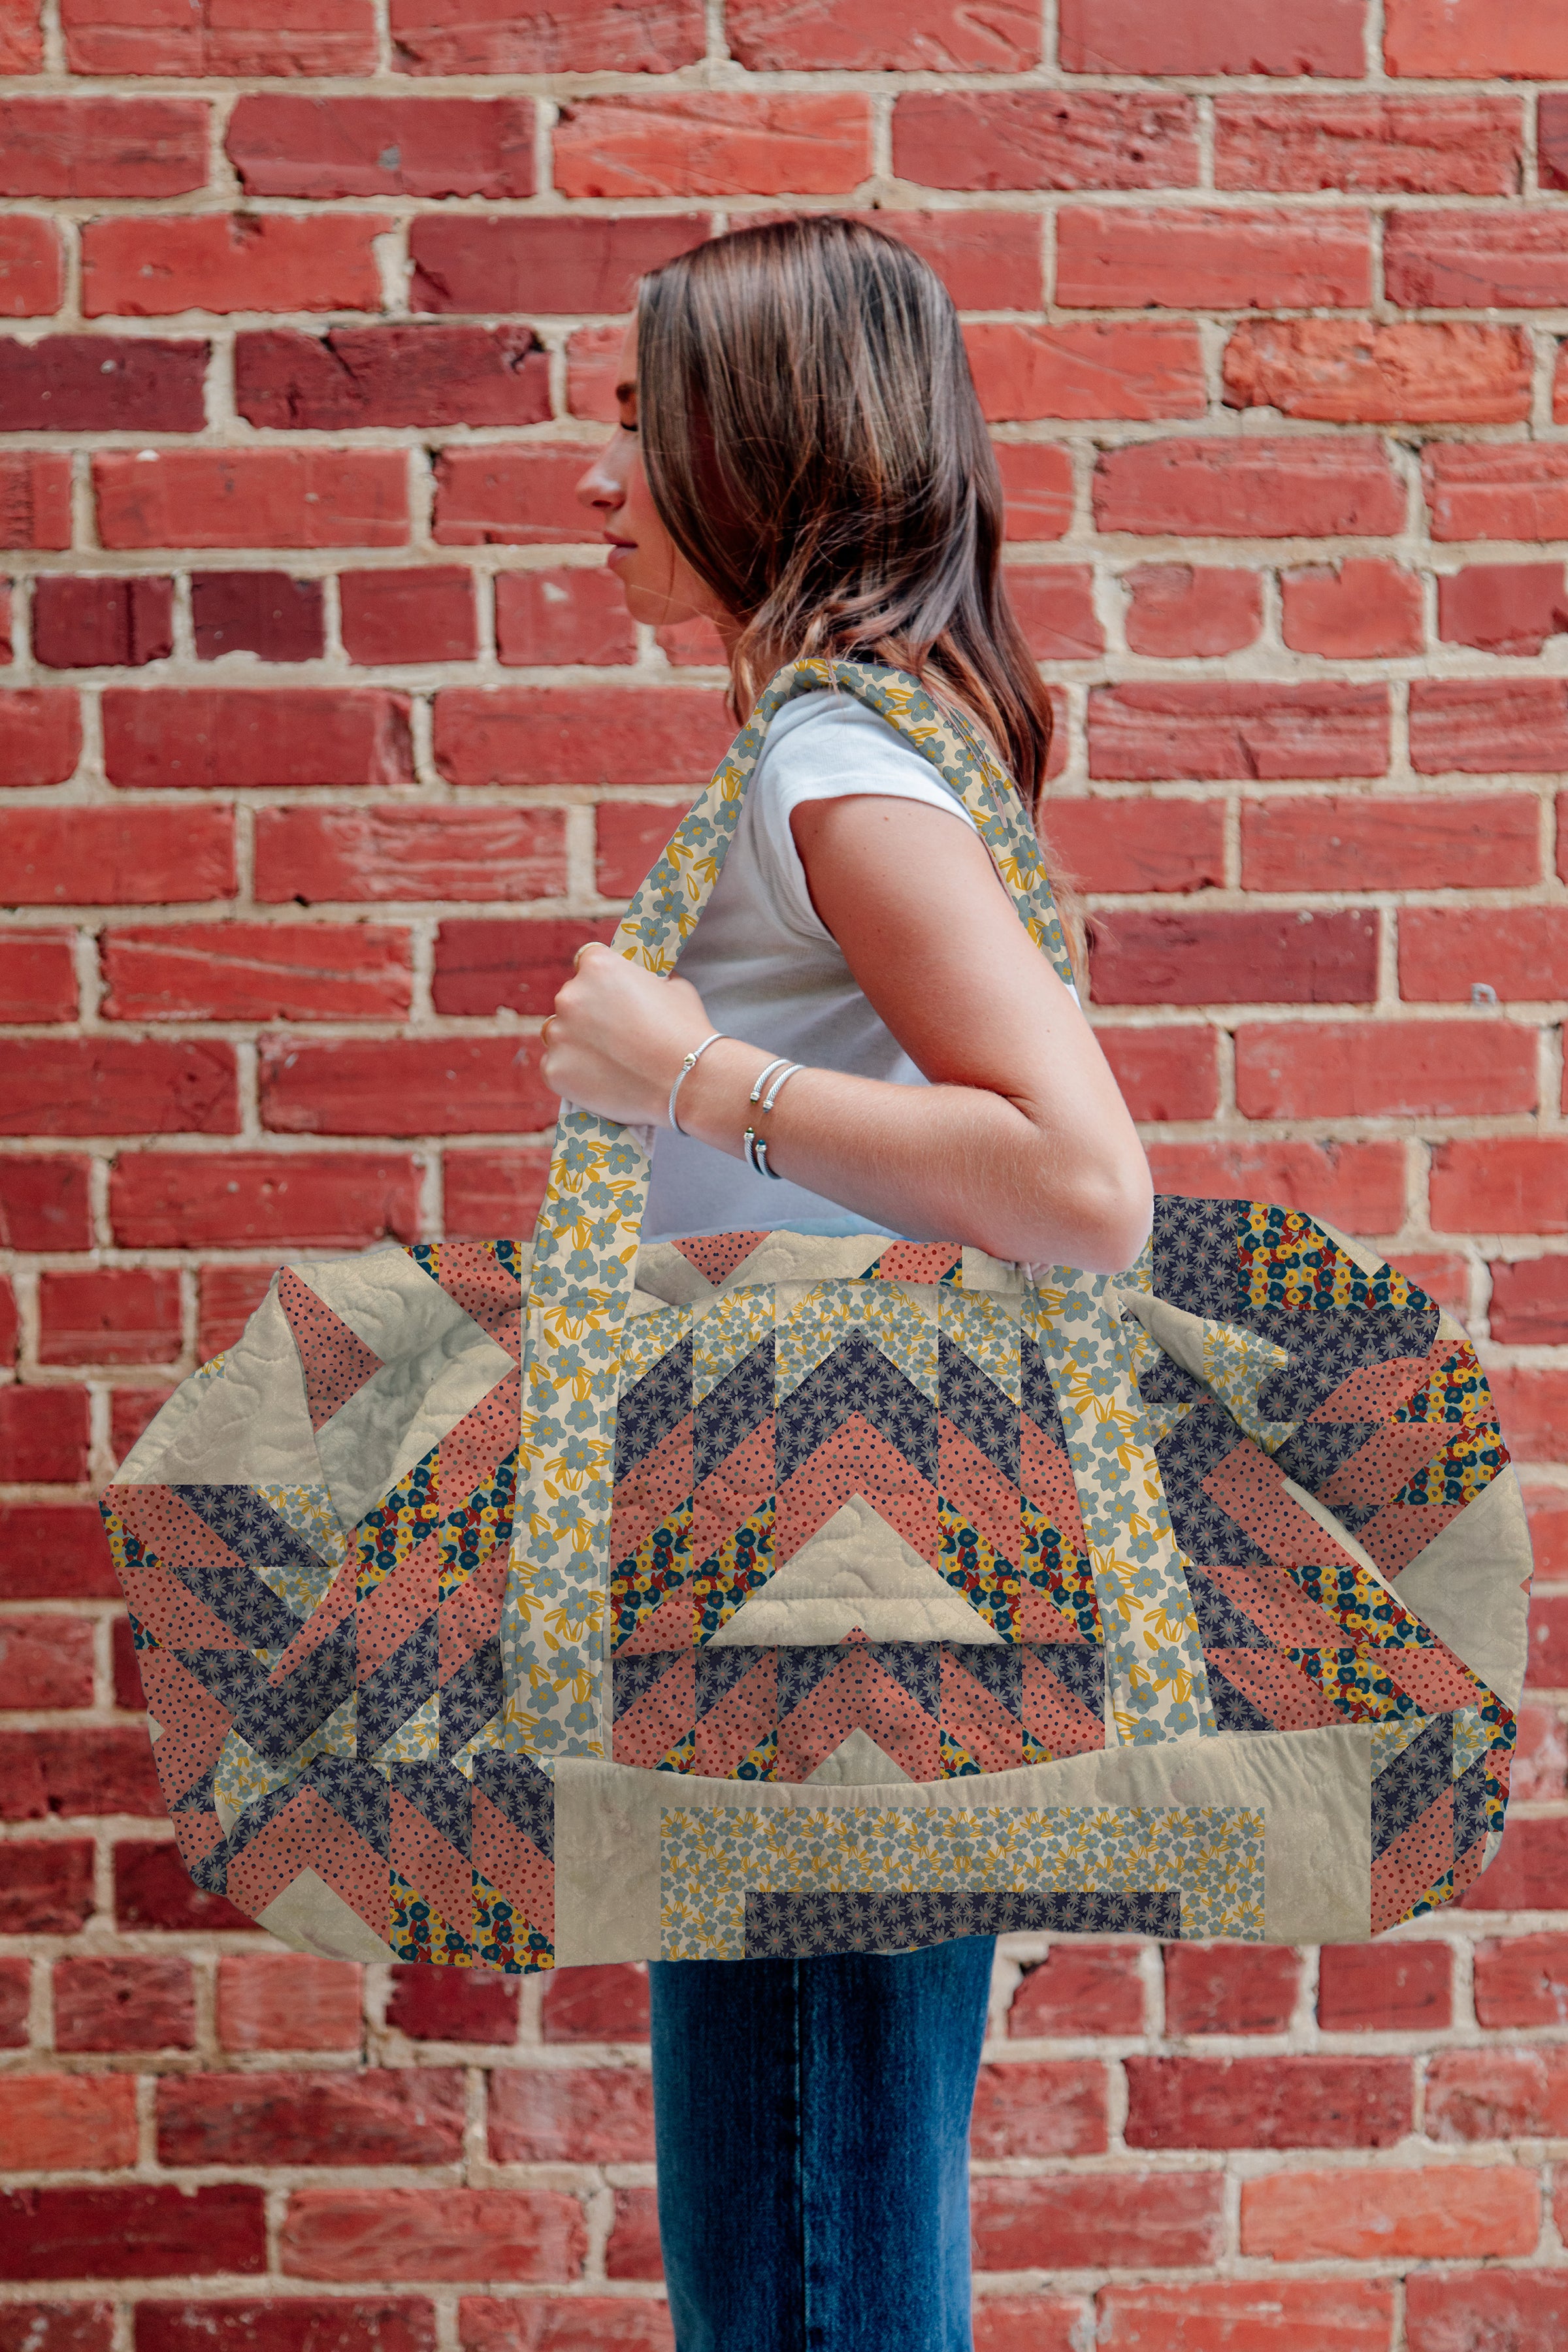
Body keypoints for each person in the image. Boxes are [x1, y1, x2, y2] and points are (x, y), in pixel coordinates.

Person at [539, 216, 1153, 2352]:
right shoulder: (858, 742)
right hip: (833, 1598)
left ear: (767, 448)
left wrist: (685, 1071)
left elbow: (1080, 1183)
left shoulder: (833, 760)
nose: (597, 476)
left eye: (643, 425)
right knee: (820, 2239)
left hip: (832, 1633)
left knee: (805, 2277)